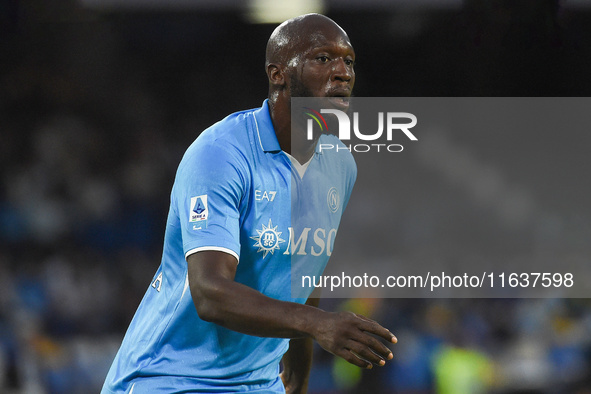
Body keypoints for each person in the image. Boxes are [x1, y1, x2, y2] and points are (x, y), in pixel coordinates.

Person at [102, 13, 396, 394]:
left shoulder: (339, 164)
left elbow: (308, 267)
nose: (343, 72)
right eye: (323, 59)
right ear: (278, 74)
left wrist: (299, 370)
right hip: (169, 378)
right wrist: (317, 323)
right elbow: (210, 293)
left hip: (258, 383)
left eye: (349, 61)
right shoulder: (220, 154)